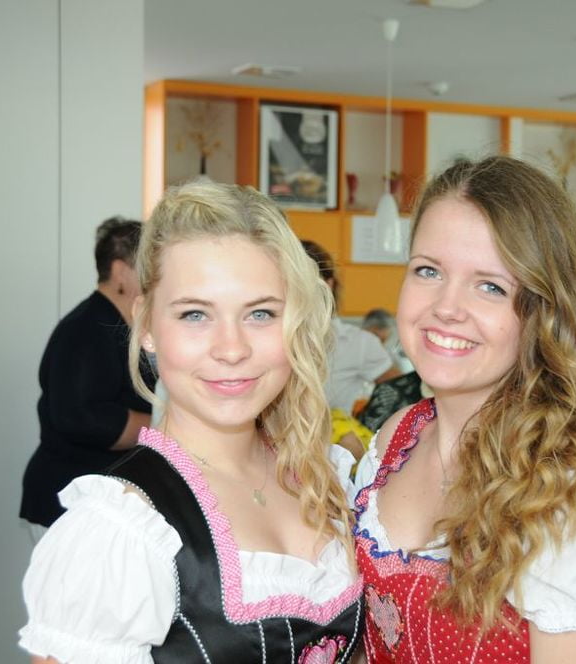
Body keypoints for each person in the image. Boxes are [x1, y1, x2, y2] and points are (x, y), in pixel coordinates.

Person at [19, 180, 363, 663]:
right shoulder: (123, 528)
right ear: (146, 325)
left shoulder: (325, 476)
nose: (231, 349)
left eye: (261, 313)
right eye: (195, 315)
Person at [352, 156, 576, 663]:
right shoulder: (395, 439)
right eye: (428, 270)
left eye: (490, 286)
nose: (446, 307)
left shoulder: (572, 494)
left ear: (546, 312)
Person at [19, 217, 154, 537]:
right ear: (120, 272)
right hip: (66, 501)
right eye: (149, 267)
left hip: (98, 502)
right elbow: (84, 418)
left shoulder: (121, 327)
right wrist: (165, 430)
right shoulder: (86, 329)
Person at [301, 240, 402, 415]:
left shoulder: (359, 343)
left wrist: (371, 422)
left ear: (328, 284)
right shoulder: (267, 338)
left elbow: (402, 390)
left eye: (306, 280)